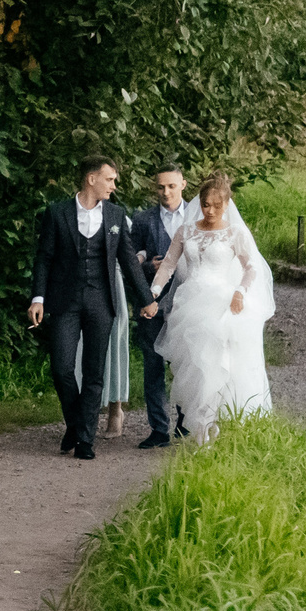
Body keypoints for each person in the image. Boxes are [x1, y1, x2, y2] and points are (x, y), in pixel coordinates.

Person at [27, 157, 160, 460]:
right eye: (110, 179)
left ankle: (85, 439)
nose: (114, 185)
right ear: (91, 179)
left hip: (101, 301)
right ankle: (75, 424)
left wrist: (146, 299)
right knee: (61, 367)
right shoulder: (57, 213)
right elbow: (44, 258)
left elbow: (127, 261)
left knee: (94, 371)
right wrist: (38, 298)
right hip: (65, 301)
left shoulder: (115, 214)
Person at [146, 172, 273, 440]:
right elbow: (169, 264)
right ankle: (200, 429)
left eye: (217, 205)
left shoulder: (235, 232)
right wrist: (153, 294)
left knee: (218, 365)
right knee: (194, 365)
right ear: (199, 203)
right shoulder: (187, 230)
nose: (211, 210)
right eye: (206, 204)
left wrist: (240, 291)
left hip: (222, 304)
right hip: (191, 304)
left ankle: (216, 428)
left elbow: (251, 267)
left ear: (227, 204)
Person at [129, 165, 191, 447]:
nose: (165, 192)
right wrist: (148, 269)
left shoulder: (197, 215)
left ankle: (185, 422)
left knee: (184, 362)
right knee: (153, 364)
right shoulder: (143, 220)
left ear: (183, 185)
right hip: (151, 301)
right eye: (160, 187)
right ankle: (157, 428)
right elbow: (128, 261)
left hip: (188, 301)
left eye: (171, 186)